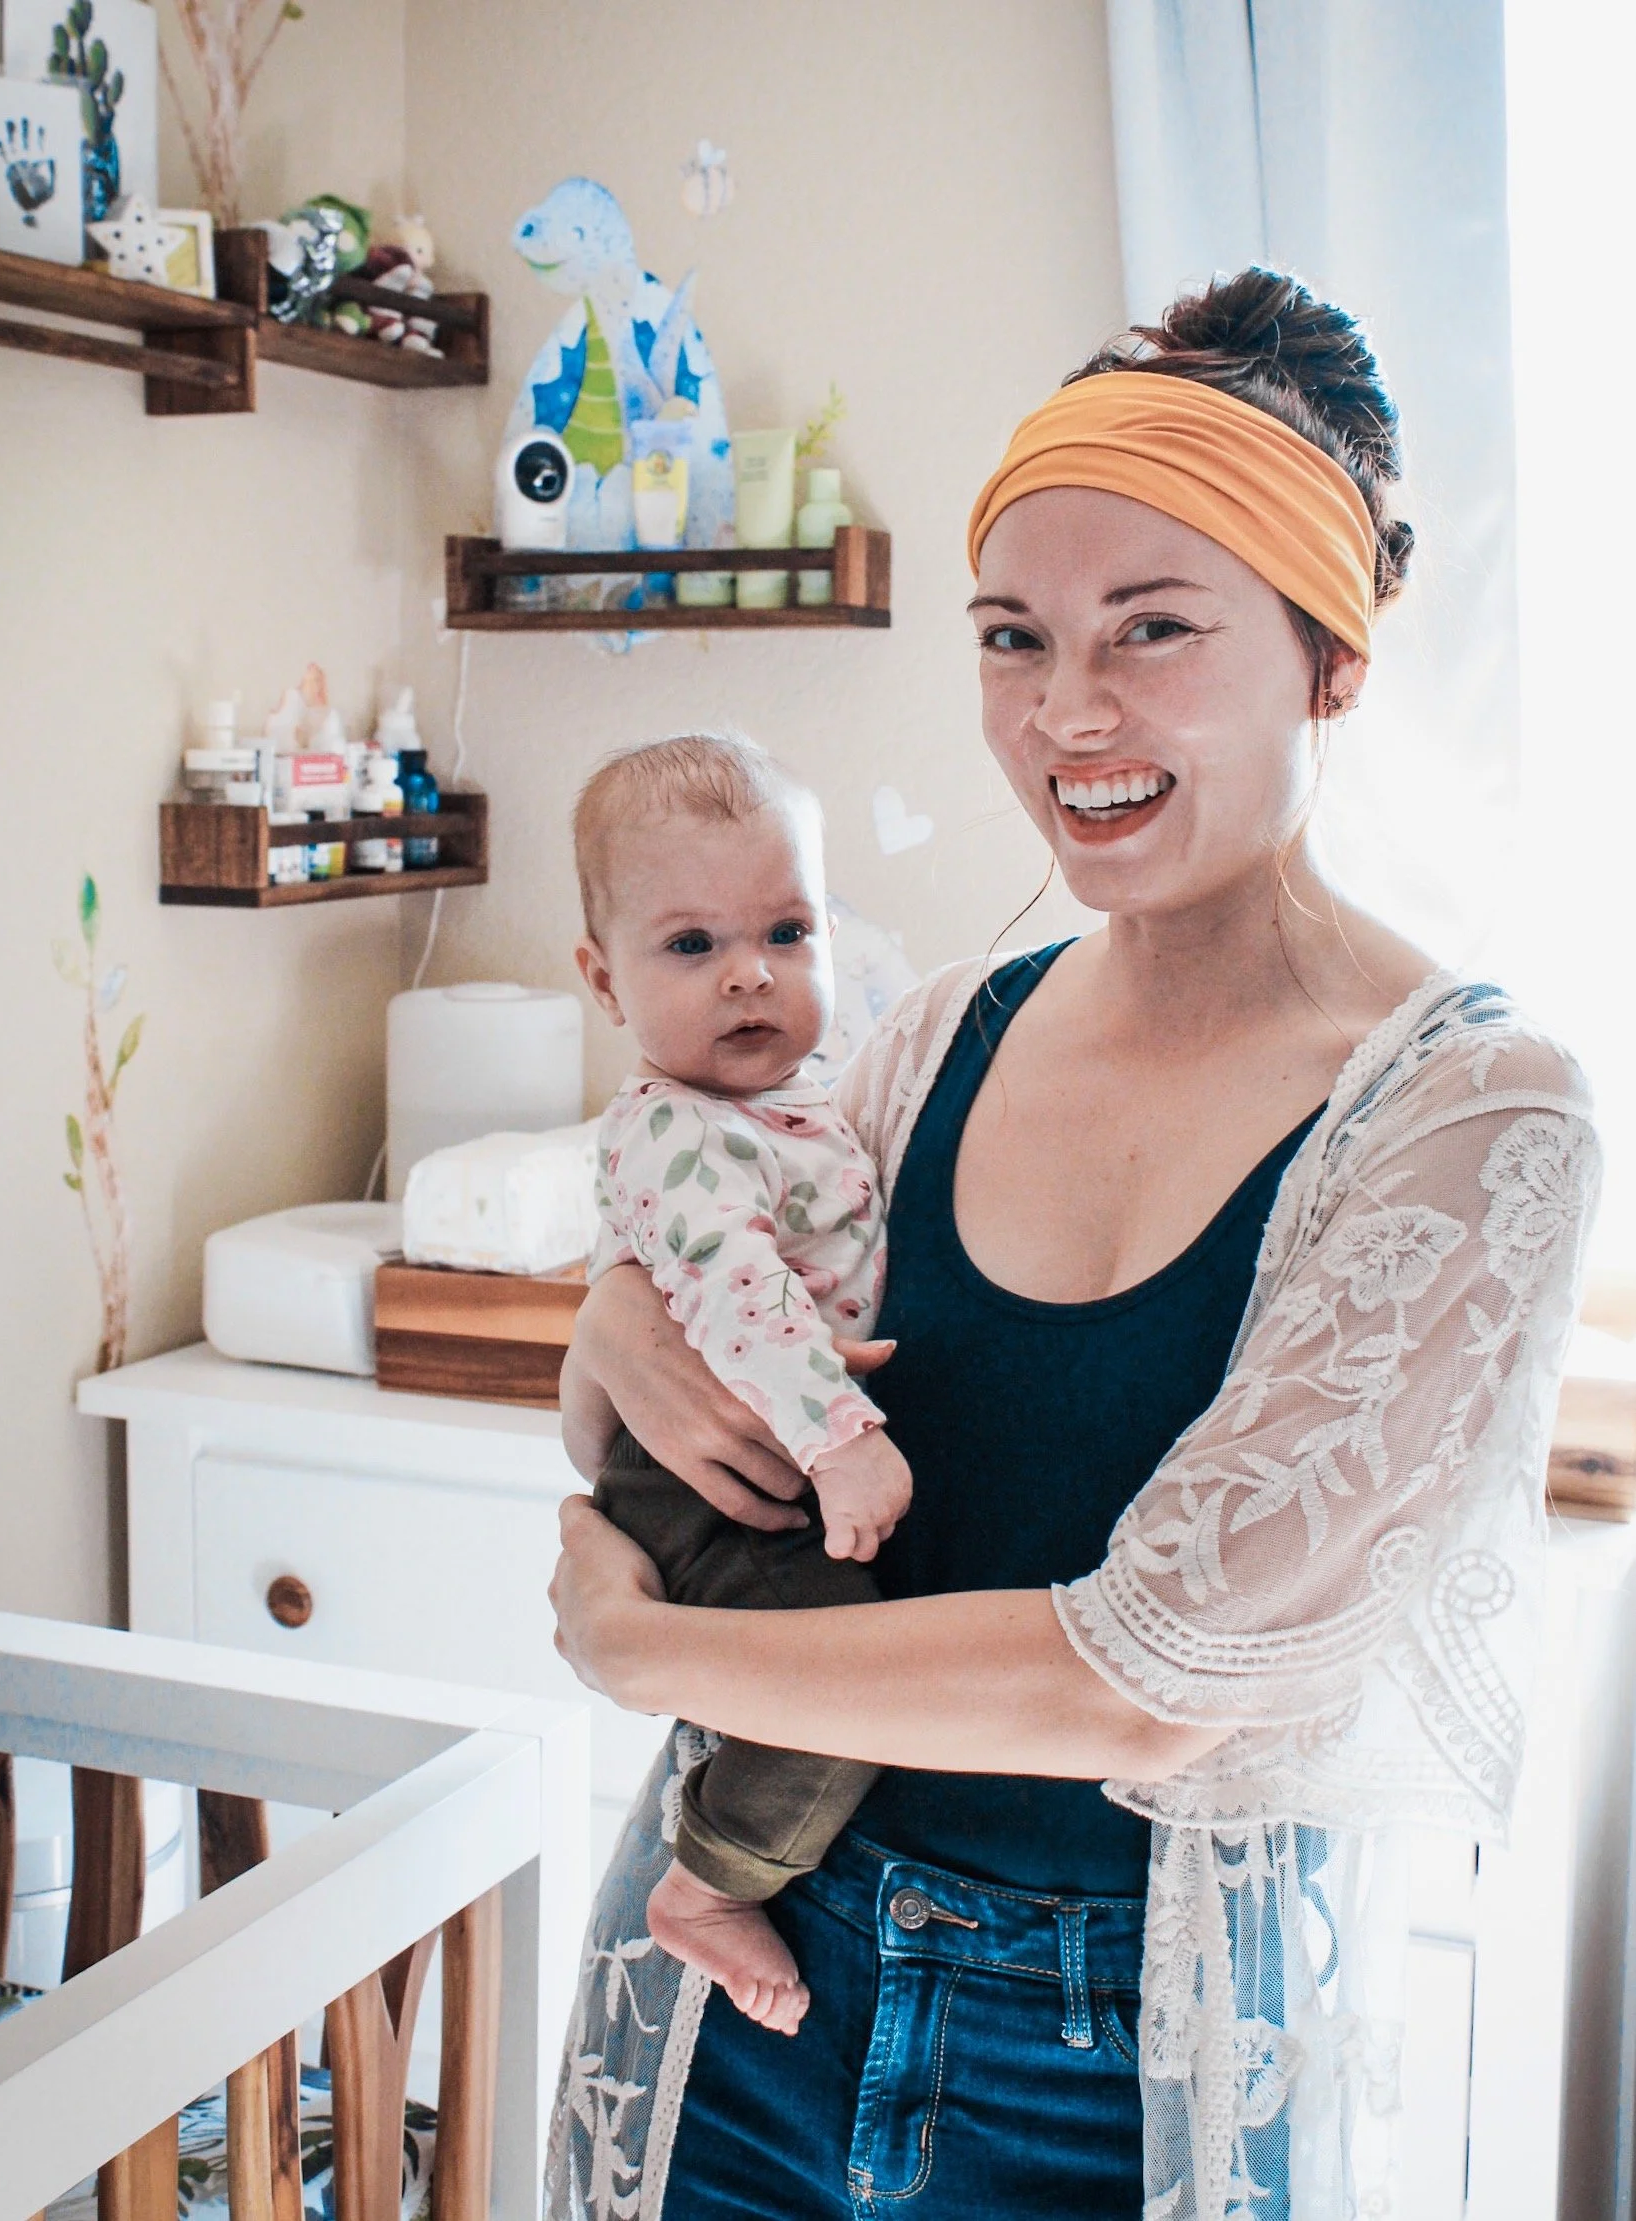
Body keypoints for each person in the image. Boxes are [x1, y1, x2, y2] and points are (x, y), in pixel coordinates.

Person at [545, 270, 1599, 2221]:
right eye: (1015, 639)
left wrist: (633, 1647)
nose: (1065, 716)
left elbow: (1148, 1678)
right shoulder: (933, 1034)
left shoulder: (1465, 1114)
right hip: (757, 1982)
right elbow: (669, 1359)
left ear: (1332, 659)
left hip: (1114, 2056)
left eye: (1154, 634)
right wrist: (610, 1316)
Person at [572, 733, 913, 2037]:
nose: (751, 974)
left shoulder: (801, 1097)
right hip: (700, 1478)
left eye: (786, 928)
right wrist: (839, 1439)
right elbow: (734, 1295)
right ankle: (709, 1886)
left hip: (766, 1435)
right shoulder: (679, 1126)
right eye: (693, 946)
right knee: (834, 1701)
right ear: (605, 981)